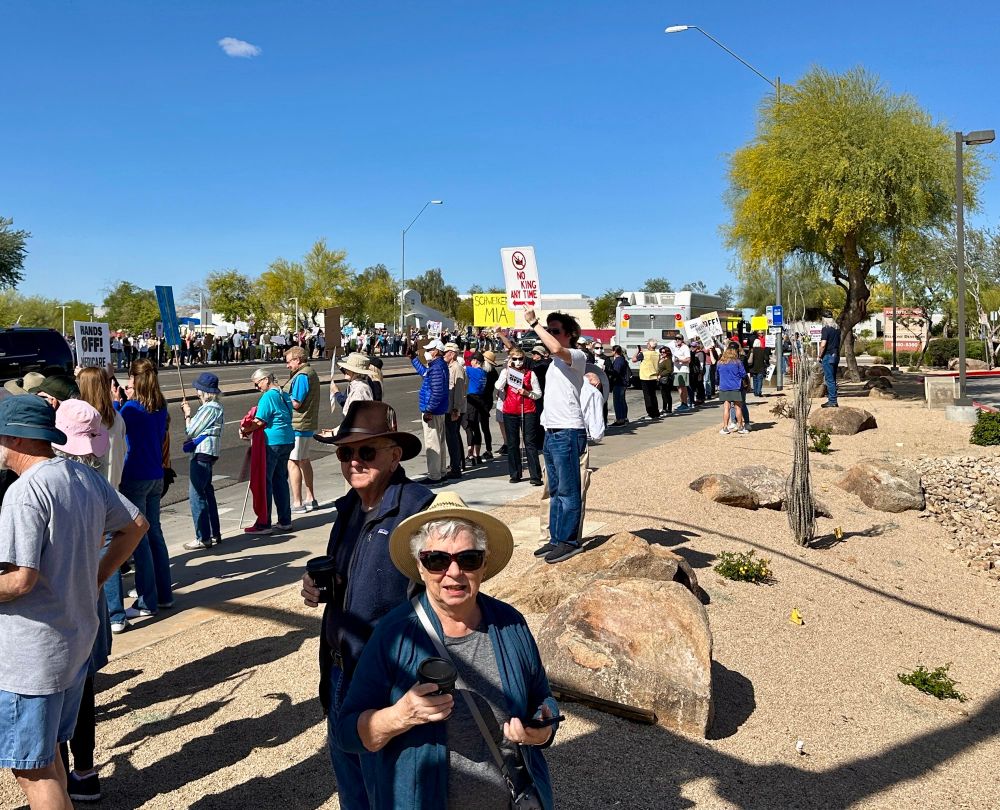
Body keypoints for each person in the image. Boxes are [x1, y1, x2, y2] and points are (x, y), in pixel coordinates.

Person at [335, 492, 559, 810]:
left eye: (468, 559)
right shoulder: (394, 634)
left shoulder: (510, 623)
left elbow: (542, 697)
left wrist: (542, 730)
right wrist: (398, 716)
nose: (453, 572)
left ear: (483, 564)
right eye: (437, 560)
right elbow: (347, 732)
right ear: (420, 567)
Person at [0, 396, 147, 810]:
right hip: (72, 644)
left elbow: (20, 580)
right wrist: (97, 575)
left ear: (16, 438)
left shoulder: (24, 492)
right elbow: (136, 525)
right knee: (48, 762)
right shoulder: (80, 475)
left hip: (31, 658)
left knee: (33, 771)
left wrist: (99, 574)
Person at [302, 402, 434, 809]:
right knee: (352, 786)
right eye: (346, 453)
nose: (354, 461)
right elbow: (354, 579)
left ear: (395, 455)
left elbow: (445, 594)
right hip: (341, 669)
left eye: (367, 452)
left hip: (388, 676)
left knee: (391, 789)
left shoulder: (418, 509)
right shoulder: (349, 507)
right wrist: (319, 587)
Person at [522, 308, 588, 564]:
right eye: (549, 331)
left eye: (556, 331)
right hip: (552, 430)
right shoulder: (555, 363)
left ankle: (568, 541)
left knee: (569, 489)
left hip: (568, 430)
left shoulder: (576, 355)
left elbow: (557, 350)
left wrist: (536, 324)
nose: (550, 334)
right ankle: (556, 538)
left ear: (570, 334)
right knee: (556, 489)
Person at [119, 362, 173, 621]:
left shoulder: (130, 409)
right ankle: (164, 594)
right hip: (155, 474)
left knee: (139, 540)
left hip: (135, 474)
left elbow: (115, 429)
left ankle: (146, 601)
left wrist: (118, 402)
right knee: (156, 536)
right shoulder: (160, 405)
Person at [242, 368, 294, 534]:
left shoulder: (268, 396)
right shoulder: (283, 394)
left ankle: (264, 523)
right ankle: (285, 520)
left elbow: (259, 421)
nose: (257, 388)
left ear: (265, 379)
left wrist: (245, 430)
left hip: (272, 441)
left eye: (257, 384)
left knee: (265, 482)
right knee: (280, 480)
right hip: (287, 439)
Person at [180, 373, 225, 551]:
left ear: (205, 391)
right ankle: (214, 532)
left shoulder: (210, 408)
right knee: (207, 492)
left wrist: (187, 414)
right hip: (209, 452)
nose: (197, 391)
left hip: (202, 453)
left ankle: (203, 536)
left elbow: (191, 430)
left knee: (196, 495)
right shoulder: (214, 406)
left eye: (199, 388)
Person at [495, 349, 543, 485]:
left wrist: (527, 393)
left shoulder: (530, 373)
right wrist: (506, 371)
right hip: (510, 410)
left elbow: (538, 393)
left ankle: (535, 476)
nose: (517, 362)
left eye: (520, 359)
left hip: (527, 410)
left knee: (530, 442)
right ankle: (515, 474)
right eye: (514, 359)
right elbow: (498, 386)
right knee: (512, 444)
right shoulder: (506, 372)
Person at [284, 346, 321, 514]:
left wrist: (281, 396)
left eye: (289, 362)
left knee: (293, 462)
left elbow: (296, 402)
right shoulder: (309, 373)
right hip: (306, 424)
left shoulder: (302, 376)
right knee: (304, 460)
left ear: (297, 360)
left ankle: (298, 502)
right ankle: (310, 498)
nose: (287, 366)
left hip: (298, 425)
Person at [409, 339, 450, 483]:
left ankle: (435, 475)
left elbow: (437, 391)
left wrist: (429, 410)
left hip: (433, 411)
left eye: (429, 350)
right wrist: (413, 359)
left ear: (437, 351)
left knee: (433, 443)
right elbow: (425, 374)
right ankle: (441, 471)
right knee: (439, 442)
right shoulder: (438, 366)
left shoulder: (437, 367)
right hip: (438, 410)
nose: (427, 353)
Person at [443, 342, 467, 480]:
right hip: (452, 407)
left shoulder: (456, 368)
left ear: (452, 354)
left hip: (454, 408)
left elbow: (459, 390)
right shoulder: (451, 366)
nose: (444, 354)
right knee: (452, 437)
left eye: (446, 352)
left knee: (452, 438)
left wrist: (456, 409)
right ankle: (456, 464)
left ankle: (456, 468)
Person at [717, 346, 750, 435]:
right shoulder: (737, 362)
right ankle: (740, 427)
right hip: (735, 386)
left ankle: (725, 427)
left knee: (726, 407)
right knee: (738, 407)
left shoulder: (720, 363)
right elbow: (743, 374)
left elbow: (717, 375)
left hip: (724, 386)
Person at [463, 353, 488, 468]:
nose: (470, 362)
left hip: (471, 400)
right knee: (477, 429)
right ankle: (477, 455)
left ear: (476, 361)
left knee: (469, 427)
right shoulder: (483, 373)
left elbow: (462, 366)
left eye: (471, 360)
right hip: (481, 400)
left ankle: (470, 456)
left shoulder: (473, 371)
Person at [332, 352, 374, 420]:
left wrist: (336, 393)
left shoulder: (360, 389)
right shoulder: (357, 385)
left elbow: (355, 418)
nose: (345, 370)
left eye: (348, 369)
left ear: (357, 373)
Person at [633, 339, 661, 421]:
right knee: (653, 395)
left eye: (647, 343)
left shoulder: (644, 353)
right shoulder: (657, 353)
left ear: (649, 345)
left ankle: (650, 413)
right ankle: (656, 412)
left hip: (645, 376)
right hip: (654, 376)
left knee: (647, 396)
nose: (647, 345)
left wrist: (637, 351)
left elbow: (634, 359)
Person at [478, 351, 499, 459]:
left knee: (483, 426)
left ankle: (488, 449)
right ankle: (488, 449)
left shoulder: (487, 373)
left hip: (484, 401)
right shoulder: (492, 372)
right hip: (486, 400)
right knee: (483, 426)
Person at [818, 312, 841, 408]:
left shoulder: (825, 329)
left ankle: (832, 401)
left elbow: (823, 344)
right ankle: (833, 399)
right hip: (836, 355)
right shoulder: (837, 329)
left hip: (827, 356)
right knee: (833, 379)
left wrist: (819, 356)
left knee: (829, 379)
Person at [581, 372, 606, 444]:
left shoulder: (573, 384)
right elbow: (596, 417)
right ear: (597, 384)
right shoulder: (594, 392)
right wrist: (597, 436)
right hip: (578, 430)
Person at [609, 345, 630, 425]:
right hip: (623, 382)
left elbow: (616, 372)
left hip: (619, 383)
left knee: (618, 401)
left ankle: (620, 419)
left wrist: (608, 370)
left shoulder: (618, 360)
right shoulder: (622, 359)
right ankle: (624, 418)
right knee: (622, 401)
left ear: (614, 351)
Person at [672, 336, 693, 412]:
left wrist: (679, 359)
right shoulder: (676, 348)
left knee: (683, 387)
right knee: (679, 387)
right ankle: (682, 403)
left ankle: (685, 403)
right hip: (676, 370)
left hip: (683, 370)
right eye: (676, 339)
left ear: (682, 340)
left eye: (679, 339)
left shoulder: (685, 348)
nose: (677, 340)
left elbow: (688, 359)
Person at [749, 332, 770, 398]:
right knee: (759, 380)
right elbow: (766, 358)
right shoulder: (762, 350)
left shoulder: (751, 350)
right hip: (760, 367)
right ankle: (758, 392)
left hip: (753, 368)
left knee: (755, 380)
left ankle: (755, 392)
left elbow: (748, 359)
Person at [657, 346, 674, 415]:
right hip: (661, 379)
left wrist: (661, 375)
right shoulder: (661, 359)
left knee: (667, 394)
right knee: (663, 394)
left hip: (666, 379)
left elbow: (669, 370)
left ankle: (669, 409)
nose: (662, 353)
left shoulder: (668, 360)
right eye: (661, 352)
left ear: (667, 352)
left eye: (663, 352)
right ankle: (664, 408)